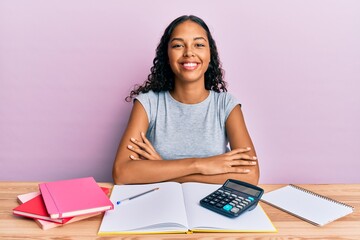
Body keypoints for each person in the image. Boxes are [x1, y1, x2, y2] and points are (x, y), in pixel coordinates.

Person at [112, 15, 259, 185]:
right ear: (167, 55)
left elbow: (251, 175)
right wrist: (200, 165)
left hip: (214, 206)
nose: (189, 52)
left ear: (210, 54)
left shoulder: (226, 105)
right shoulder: (148, 104)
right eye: (178, 45)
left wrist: (161, 168)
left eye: (199, 45)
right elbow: (122, 173)